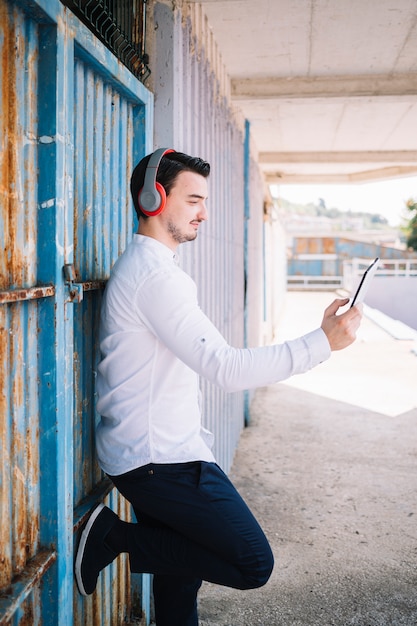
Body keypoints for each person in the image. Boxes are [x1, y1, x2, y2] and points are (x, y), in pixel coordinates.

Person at [75, 148, 362, 625]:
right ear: (154, 199)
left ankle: (119, 541)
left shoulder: (154, 271)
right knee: (253, 562)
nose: (204, 212)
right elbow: (225, 368)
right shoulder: (154, 279)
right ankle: (113, 537)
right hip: (159, 463)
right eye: (193, 200)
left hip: (160, 454)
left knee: (178, 587)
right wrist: (321, 344)